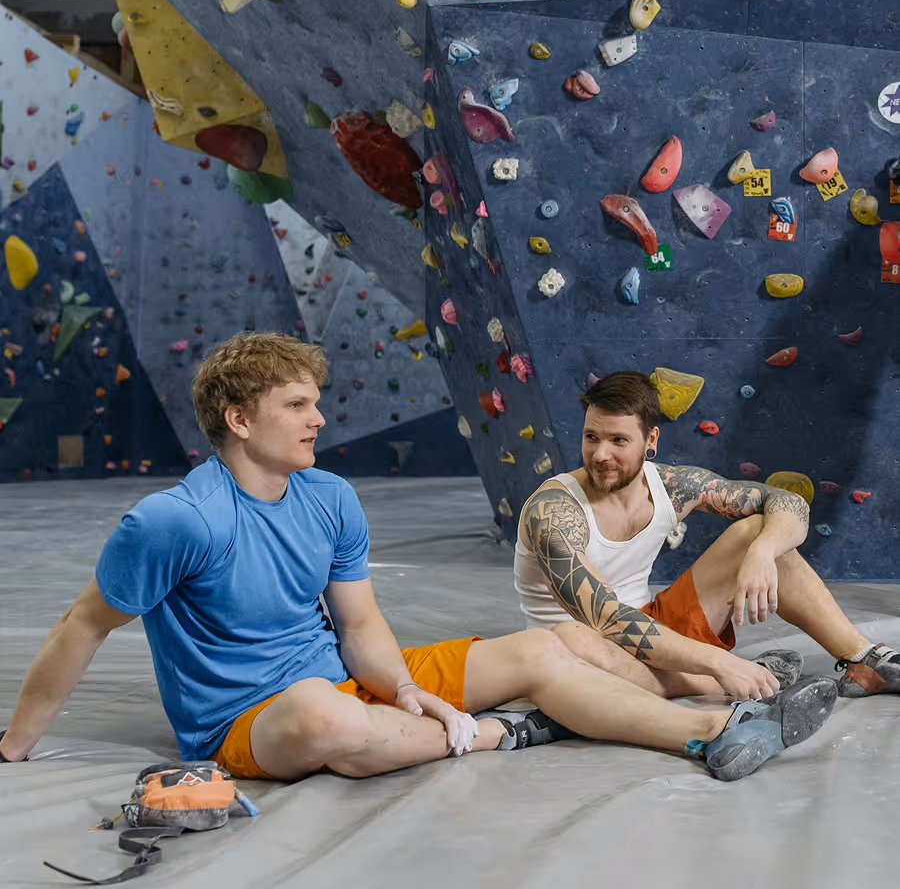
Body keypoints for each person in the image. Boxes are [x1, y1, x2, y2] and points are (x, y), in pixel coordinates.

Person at [0, 336, 838, 784]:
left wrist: (404, 687)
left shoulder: (328, 496)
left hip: (346, 678)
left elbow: (360, 622)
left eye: (317, 401)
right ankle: (482, 736)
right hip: (252, 721)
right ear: (238, 418)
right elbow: (83, 624)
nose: (318, 417)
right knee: (326, 717)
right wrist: (14, 745)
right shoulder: (174, 521)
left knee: (547, 649)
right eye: (296, 404)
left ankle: (710, 735)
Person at [514, 370, 900, 703]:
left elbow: (786, 503)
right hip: (584, 648)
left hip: (656, 627)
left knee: (756, 530)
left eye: (618, 440)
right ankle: (714, 679)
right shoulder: (554, 511)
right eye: (591, 437)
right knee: (574, 645)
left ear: (651, 440)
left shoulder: (671, 485)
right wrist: (721, 662)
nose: (600, 454)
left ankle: (864, 659)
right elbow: (608, 620)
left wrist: (763, 552)